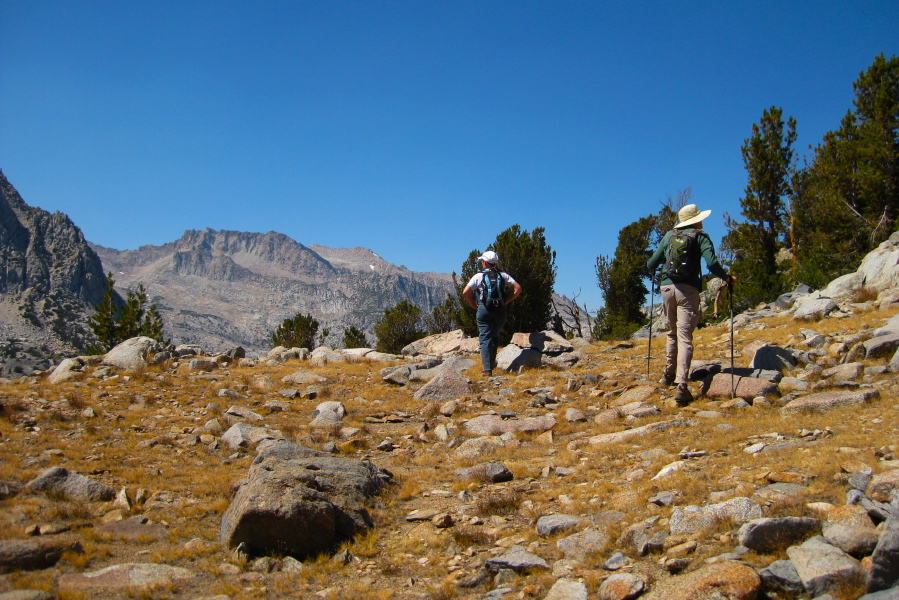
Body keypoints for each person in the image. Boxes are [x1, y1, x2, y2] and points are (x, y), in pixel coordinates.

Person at [646, 204, 736, 405]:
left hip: (667, 288)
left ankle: (667, 375)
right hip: (688, 289)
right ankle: (682, 385)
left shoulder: (669, 236)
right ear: (696, 220)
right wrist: (727, 278)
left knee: (672, 332)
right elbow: (711, 264)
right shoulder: (700, 237)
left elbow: (651, 264)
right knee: (684, 335)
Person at [462, 251, 522, 375]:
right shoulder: (503, 275)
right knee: (495, 336)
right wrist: (507, 301)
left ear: (485, 262)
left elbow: (465, 292)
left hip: (484, 309)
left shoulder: (478, 276)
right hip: (500, 309)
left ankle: (487, 368)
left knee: (485, 337)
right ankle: (492, 362)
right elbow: (518, 288)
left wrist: (473, 304)